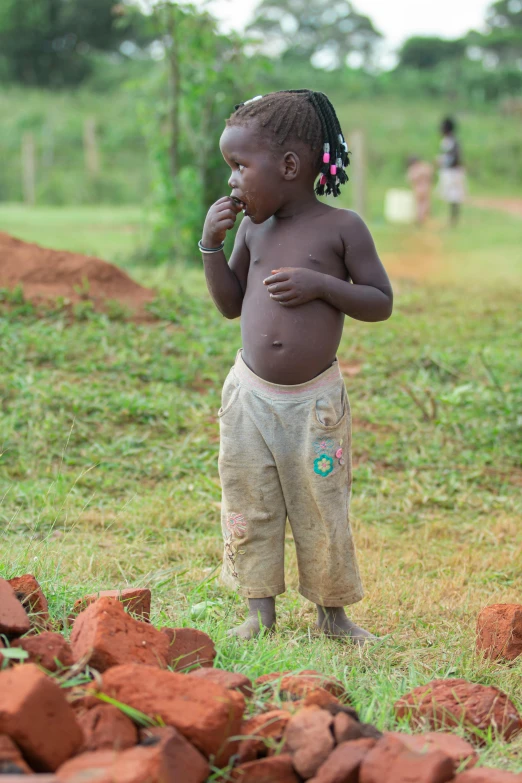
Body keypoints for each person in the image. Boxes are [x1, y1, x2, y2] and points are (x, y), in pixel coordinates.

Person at [200, 90, 393, 642]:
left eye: (240, 166)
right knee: (248, 499)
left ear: (289, 166)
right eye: (228, 168)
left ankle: (332, 615)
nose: (232, 181)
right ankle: (258, 611)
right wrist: (210, 248)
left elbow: (379, 301)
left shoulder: (342, 228)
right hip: (249, 398)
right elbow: (230, 303)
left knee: (321, 507)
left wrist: (322, 286)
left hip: (315, 404)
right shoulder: (252, 228)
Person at [437, 117, 465, 226]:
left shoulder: (453, 141)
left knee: (454, 195)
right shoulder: (445, 141)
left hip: (454, 172)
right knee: (450, 195)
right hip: (448, 172)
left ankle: (454, 219)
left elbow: (455, 157)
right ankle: (452, 218)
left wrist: (443, 161)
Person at [406, 156, 434, 225]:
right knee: (425, 203)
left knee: (419, 204)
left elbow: (410, 179)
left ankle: (420, 218)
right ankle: (422, 218)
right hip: (426, 187)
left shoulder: (412, 169)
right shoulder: (425, 167)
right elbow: (430, 174)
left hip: (417, 188)